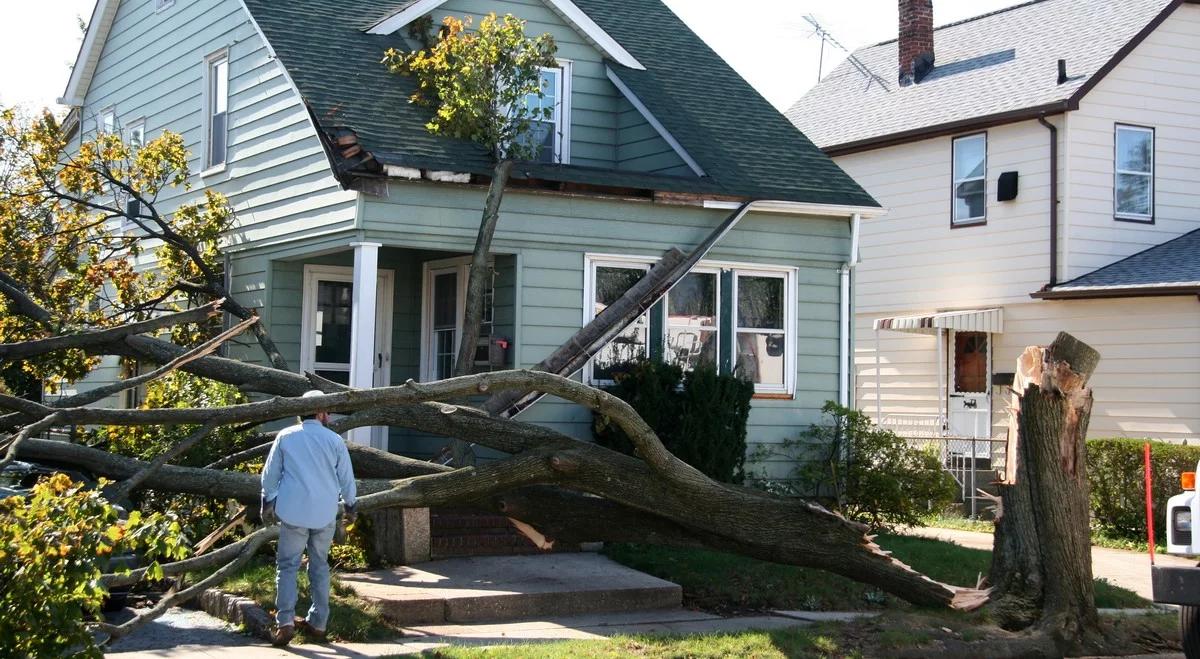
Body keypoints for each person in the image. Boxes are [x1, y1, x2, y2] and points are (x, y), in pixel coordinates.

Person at [261, 390, 357, 646]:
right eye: (327, 411)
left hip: (293, 510)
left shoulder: (286, 437)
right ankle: (319, 622)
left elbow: (271, 475)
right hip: (324, 512)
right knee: (319, 565)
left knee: (288, 566)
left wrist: (267, 502)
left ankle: (285, 622)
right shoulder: (334, 440)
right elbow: (346, 478)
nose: (329, 415)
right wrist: (350, 506)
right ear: (319, 412)